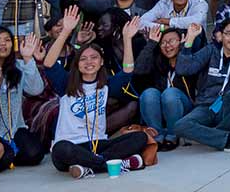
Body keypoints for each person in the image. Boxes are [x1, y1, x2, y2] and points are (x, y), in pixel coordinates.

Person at [38, 15, 148, 179]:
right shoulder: (66, 83)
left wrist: (127, 39)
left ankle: (89, 167)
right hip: (71, 146)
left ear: (102, 62)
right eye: (83, 59)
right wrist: (66, 31)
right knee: (62, 149)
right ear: (77, 64)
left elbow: (127, 71)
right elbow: (48, 63)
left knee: (140, 138)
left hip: (97, 144)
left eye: (94, 57)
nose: (89, 62)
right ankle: (115, 164)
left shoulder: (106, 85)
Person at [173, 18, 230, 151]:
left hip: (227, 108)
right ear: (221, 35)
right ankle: (229, 139)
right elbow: (184, 69)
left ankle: (221, 136)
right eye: (229, 33)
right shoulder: (211, 50)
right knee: (180, 126)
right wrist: (190, 39)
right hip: (206, 106)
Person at [0, 25, 46, 173]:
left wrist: (28, 59)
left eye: (7, 40)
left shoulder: (17, 67)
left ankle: (9, 154)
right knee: (3, 158)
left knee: (35, 154)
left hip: (15, 129)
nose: (3, 44)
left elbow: (36, 89)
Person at [132, 25, 196, 150]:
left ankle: (173, 135)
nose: (167, 46)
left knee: (170, 93)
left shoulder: (190, 60)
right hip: (160, 110)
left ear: (181, 41)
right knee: (148, 93)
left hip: (183, 108)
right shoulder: (157, 62)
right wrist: (151, 43)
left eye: (172, 41)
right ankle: (157, 136)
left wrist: (184, 48)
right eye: (163, 43)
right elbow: (138, 70)